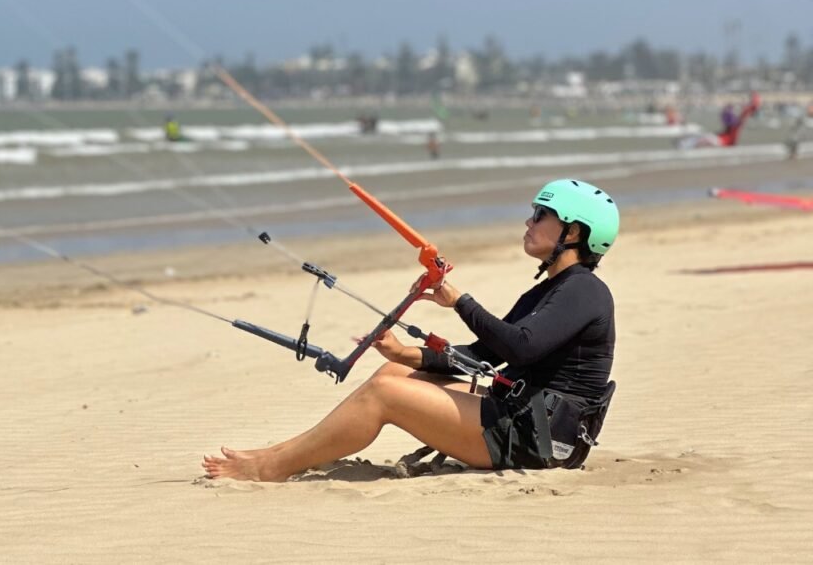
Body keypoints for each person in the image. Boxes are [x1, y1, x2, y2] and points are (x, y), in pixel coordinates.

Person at [203, 179, 620, 481]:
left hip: (541, 441)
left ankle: (273, 467)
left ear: (574, 231)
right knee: (392, 376)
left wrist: (460, 300)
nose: (528, 222)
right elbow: (486, 354)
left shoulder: (584, 290)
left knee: (385, 395)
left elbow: (522, 348)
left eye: (540, 215)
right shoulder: (553, 289)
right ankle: (283, 452)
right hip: (525, 418)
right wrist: (404, 354)